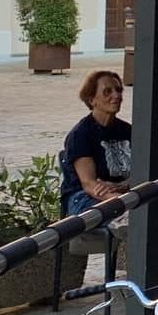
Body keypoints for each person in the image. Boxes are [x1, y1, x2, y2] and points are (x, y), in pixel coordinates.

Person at [61, 69, 132, 215]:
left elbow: (141, 173)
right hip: (84, 197)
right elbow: (89, 184)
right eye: (107, 92)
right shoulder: (80, 134)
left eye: (118, 90)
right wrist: (125, 204)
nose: (116, 95)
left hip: (121, 191)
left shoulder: (128, 130)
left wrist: (121, 186)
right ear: (91, 99)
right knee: (130, 216)